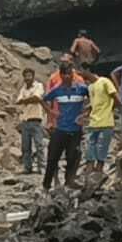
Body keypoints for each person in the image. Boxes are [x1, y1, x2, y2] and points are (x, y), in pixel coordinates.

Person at [41, 61, 89, 190]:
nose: (68, 77)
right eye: (65, 74)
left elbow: (95, 98)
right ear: (61, 75)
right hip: (60, 129)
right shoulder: (57, 90)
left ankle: (69, 182)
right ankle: (46, 186)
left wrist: (86, 113)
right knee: (52, 158)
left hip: (75, 130)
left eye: (70, 74)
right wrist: (51, 112)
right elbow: (43, 99)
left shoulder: (81, 89)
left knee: (73, 157)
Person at [82, 68, 119, 175]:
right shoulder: (90, 87)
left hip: (106, 121)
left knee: (102, 146)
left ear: (88, 70)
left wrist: (111, 109)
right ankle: (89, 168)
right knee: (90, 145)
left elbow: (116, 98)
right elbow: (94, 103)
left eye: (82, 70)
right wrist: (87, 112)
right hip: (93, 121)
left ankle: (99, 169)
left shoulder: (105, 81)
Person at [15, 69, 46, 175]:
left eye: (29, 76)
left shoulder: (39, 86)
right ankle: (27, 168)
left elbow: (37, 98)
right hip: (25, 120)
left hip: (36, 119)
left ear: (33, 76)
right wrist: (29, 99)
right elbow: (18, 101)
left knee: (39, 145)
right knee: (25, 146)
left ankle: (42, 167)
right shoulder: (23, 89)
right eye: (26, 76)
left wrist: (25, 100)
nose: (27, 78)